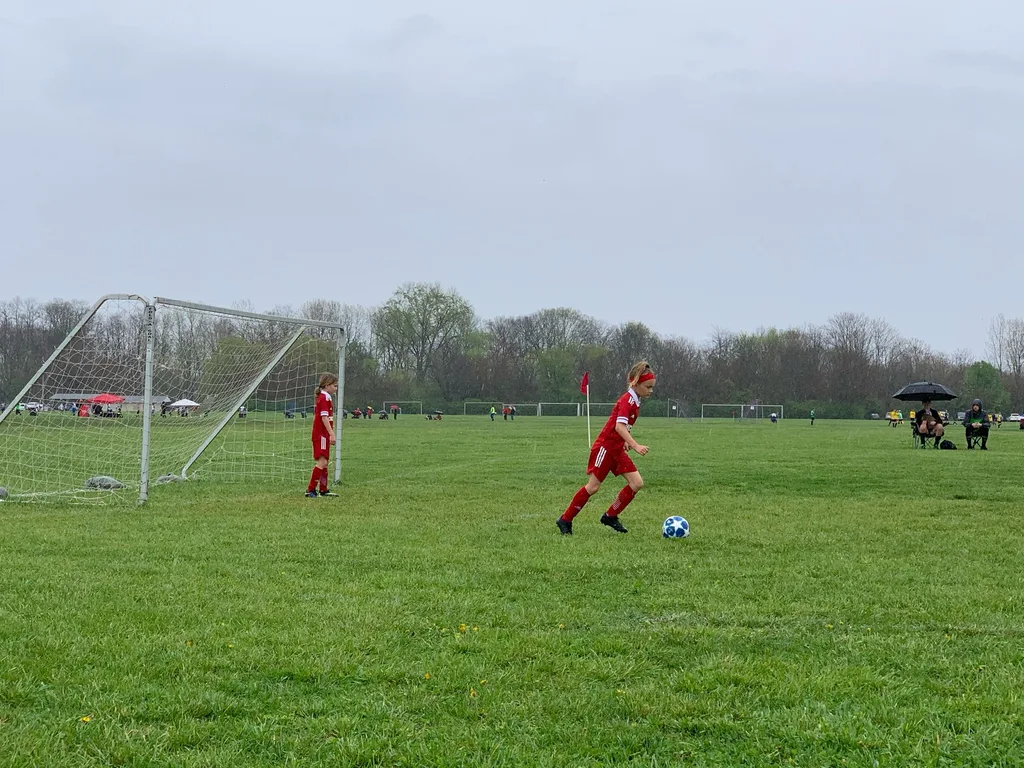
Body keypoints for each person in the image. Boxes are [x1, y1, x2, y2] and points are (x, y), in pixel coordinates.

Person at [556, 361, 656, 535]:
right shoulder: (627, 400)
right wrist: (635, 444)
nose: (651, 391)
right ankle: (565, 519)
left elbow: (622, 427)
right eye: (648, 386)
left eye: (652, 387)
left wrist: (624, 442)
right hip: (605, 448)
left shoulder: (635, 401)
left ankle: (610, 516)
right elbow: (619, 427)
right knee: (593, 487)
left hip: (617, 449)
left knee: (637, 483)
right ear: (636, 383)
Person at [305, 373, 339, 497]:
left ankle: (323, 489)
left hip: (323, 434)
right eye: (335, 386)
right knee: (322, 462)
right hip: (321, 435)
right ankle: (310, 490)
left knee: (325, 461)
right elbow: (324, 418)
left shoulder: (326, 397)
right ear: (327, 385)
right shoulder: (323, 398)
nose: (336, 388)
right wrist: (331, 434)